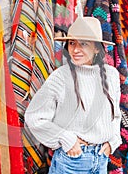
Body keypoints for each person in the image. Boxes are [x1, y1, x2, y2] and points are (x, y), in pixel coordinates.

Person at [24, 16, 122, 173]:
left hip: (102, 158)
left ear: (97, 48)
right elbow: (34, 117)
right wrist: (66, 139)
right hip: (73, 161)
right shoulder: (61, 77)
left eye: (83, 44)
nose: (75, 50)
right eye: (72, 43)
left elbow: (115, 115)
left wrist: (113, 141)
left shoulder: (111, 75)